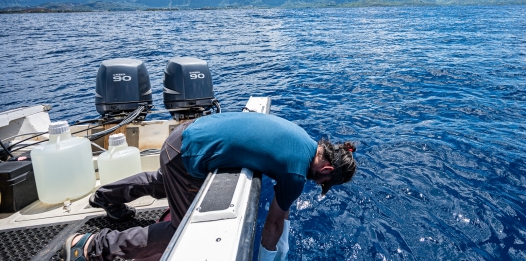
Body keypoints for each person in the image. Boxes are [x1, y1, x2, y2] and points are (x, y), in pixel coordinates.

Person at [60, 112, 358, 261]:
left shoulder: (304, 141)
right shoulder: (296, 174)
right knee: (184, 232)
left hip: (186, 136)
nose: (314, 184)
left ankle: (106, 196)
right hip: (186, 156)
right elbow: (273, 225)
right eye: (321, 183)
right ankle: (92, 246)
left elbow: (283, 205)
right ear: (326, 169)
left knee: (163, 182)